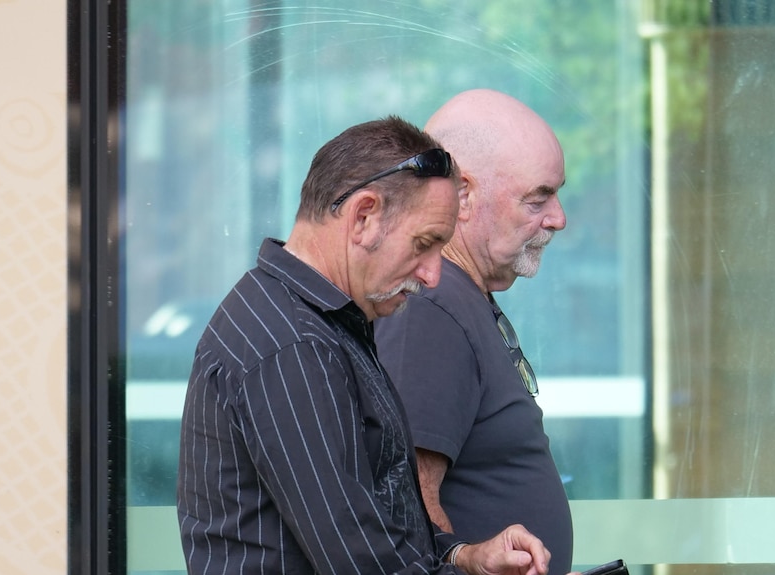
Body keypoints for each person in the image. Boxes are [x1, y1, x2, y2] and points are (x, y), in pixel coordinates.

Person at [177, 115, 554, 575]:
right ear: (364, 217)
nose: (432, 274)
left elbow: (379, 522)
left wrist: (465, 557)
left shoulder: (314, 321)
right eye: (425, 243)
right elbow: (361, 560)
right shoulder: (292, 344)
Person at [375, 90, 574, 575]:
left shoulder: (456, 296)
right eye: (538, 197)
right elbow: (410, 503)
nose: (558, 218)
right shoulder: (434, 305)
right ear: (462, 195)